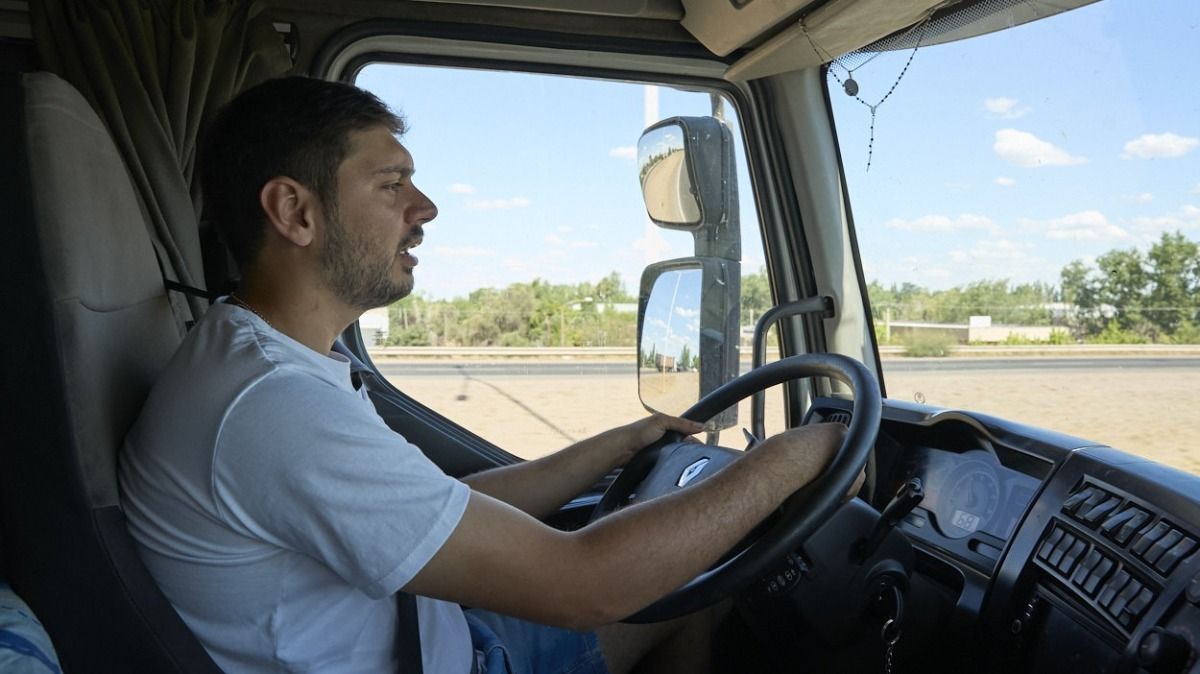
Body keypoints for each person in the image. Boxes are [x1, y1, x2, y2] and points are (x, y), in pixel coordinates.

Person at [118, 76, 848, 673]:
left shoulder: (269, 360)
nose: (424, 208)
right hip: (458, 657)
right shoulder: (272, 404)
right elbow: (585, 587)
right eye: (391, 183)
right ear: (294, 212)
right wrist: (792, 457)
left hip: (437, 635)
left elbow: (432, 507)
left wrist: (608, 448)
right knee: (692, 593)